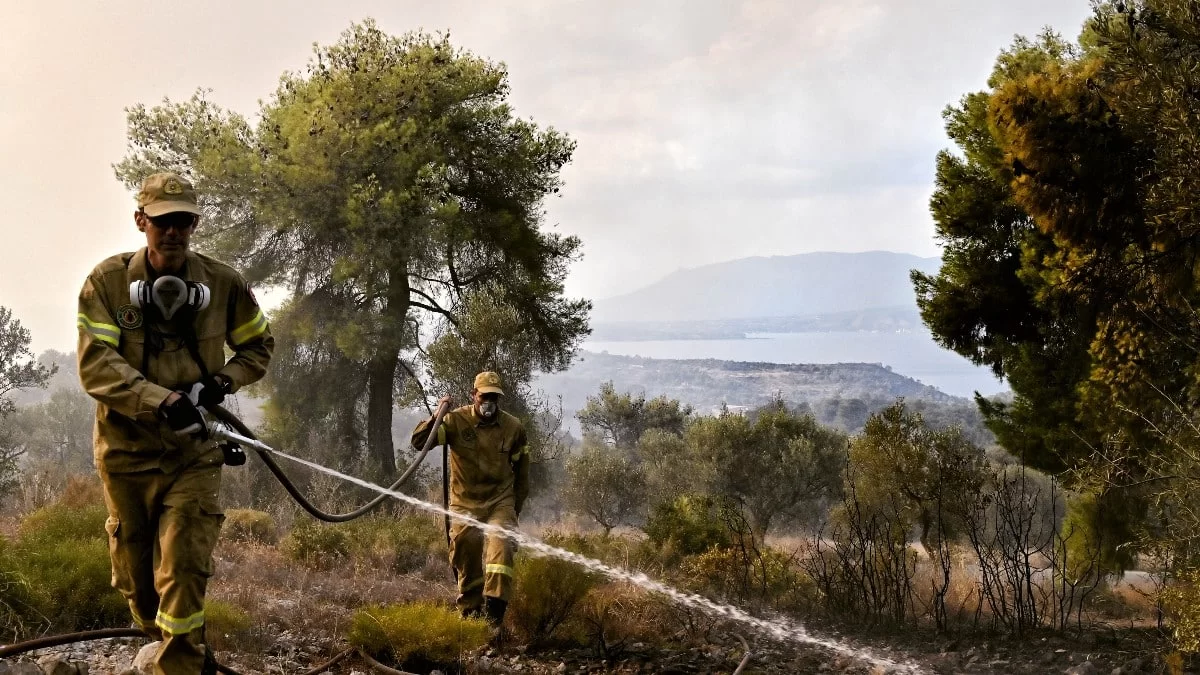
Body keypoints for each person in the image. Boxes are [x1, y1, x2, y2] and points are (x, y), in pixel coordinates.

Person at [77, 172, 273, 675]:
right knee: (138, 583)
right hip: (126, 455)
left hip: (194, 454)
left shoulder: (223, 283)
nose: (173, 232)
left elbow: (258, 346)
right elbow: (96, 364)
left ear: (194, 224)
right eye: (163, 221)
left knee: (183, 566)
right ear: (141, 220)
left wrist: (219, 384)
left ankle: (180, 665)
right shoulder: (107, 282)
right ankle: (171, 647)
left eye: (183, 221)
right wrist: (158, 400)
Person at [412, 371, 530, 628]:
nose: (489, 402)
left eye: (494, 397)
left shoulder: (514, 428)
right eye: (484, 396)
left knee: (501, 549)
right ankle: (471, 612)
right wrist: (438, 415)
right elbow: (419, 442)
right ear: (473, 394)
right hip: (465, 502)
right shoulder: (456, 421)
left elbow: (523, 475)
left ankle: (494, 619)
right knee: (465, 550)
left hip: (500, 501)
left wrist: (513, 513)